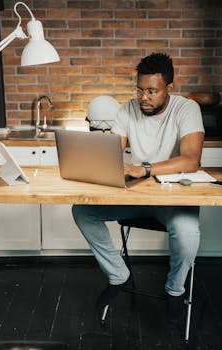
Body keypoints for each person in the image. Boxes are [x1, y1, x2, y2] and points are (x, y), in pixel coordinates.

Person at [72, 52, 204, 324]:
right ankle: (118, 275)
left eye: (152, 91)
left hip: (172, 199)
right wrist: (96, 161)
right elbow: (114, 151)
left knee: (188, 232)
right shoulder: (127, 109)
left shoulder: (187, 108)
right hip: (135, 195)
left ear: (170, 87)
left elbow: (191, 160)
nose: (144, 97)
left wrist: (143, 168)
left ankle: (175, 290)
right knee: (83, 211)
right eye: (140, 90)